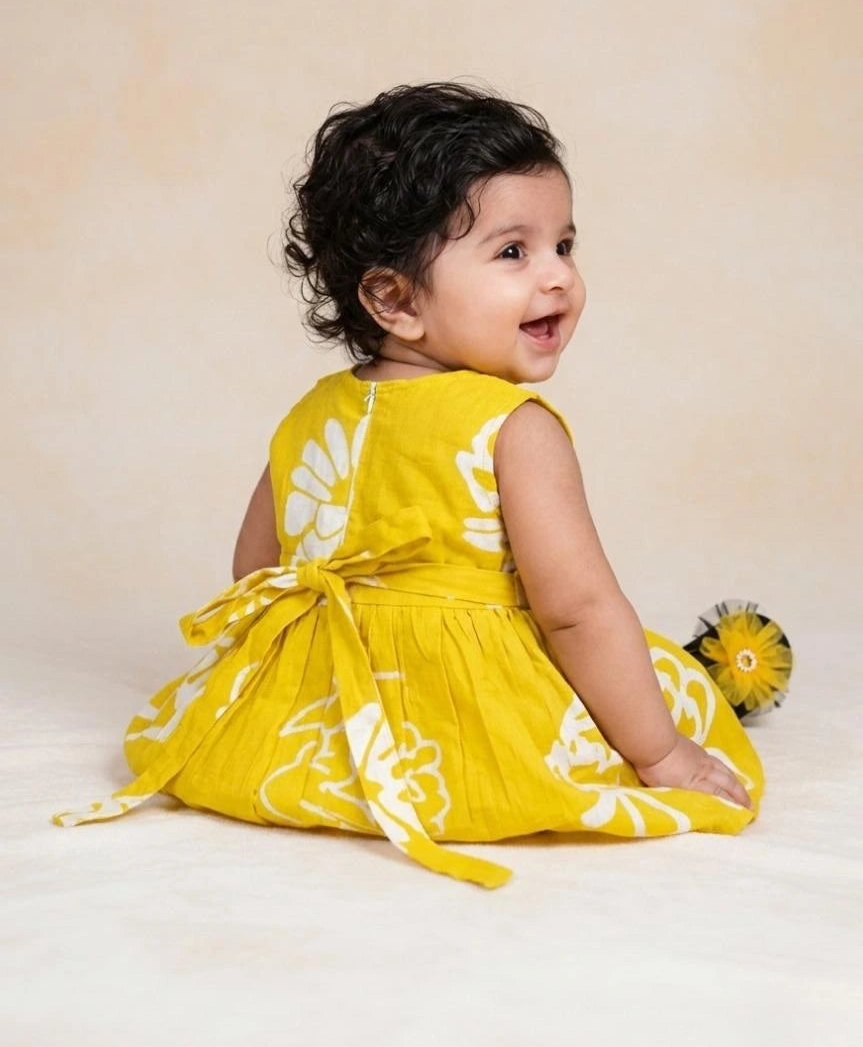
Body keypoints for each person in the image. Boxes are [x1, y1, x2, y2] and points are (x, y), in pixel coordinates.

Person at [51, 79, 771, 890]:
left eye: (563, 245)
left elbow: (256, 574)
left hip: (328, 706)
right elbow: (576, 611)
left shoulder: (313, 415)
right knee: (650, 682)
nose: (558, 278)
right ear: (393, 299)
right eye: (512, 252)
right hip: (470, 721)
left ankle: (307, 761)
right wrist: (658, 749)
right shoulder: (511, 426)